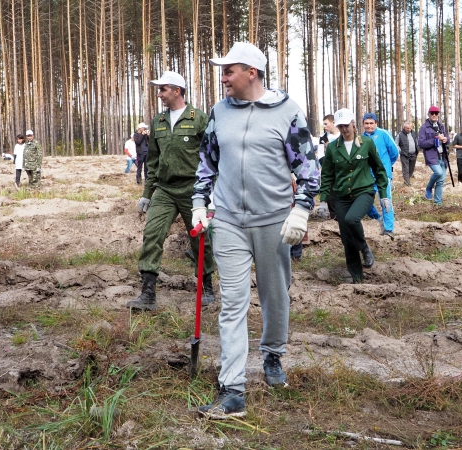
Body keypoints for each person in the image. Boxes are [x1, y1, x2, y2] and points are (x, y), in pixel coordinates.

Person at [192, 42, 319, 419]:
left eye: (229, 70)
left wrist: (301, 211)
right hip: (229, 220)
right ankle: (232, 390)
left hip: (273, 221)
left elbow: (309, 170)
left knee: (274, 294)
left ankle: (273, 355)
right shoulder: (219, 112)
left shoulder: (287, 112)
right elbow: (206, 162)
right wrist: (200, 202)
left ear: (252, 72)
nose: (223, 77)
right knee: (232, 303)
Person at [126, 70, 215, 311]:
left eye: (163, 89)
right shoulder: (158, 122)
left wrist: (212, 193)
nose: (159, 94)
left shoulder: (200, 119)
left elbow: (211, 157)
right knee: (152, 234)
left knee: (201, 240)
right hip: (164, 190)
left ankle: (207, 287)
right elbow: (153, 161)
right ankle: (147, 293)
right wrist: (147, 193)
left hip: (193, 190)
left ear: (177, 90)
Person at [318, 108, 389, 284]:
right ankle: (357, 277)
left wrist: (384, 195)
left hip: (363, 192)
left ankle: (364, 248)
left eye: (346, 125)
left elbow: (379, 169)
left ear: (353, 124)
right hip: (342, 196)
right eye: (340, 126)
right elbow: (327, 175)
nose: (344, 129)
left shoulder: (366, 143)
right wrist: (323, 200)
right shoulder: (333, 148)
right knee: (346, 237)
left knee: (351, 219)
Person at [362, 112, 398, 238]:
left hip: (383, 174)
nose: (369, 126)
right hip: (367, 175)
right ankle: (377, 217)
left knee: (385, 200)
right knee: (363, 200)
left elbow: (394, 152)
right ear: (363, 124)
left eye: (371, 123)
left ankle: (389, 228)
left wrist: (386, 165)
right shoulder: (360, 138)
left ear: (376, 123)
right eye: (366, 123)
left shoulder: (383, 134)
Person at [418, 105, 450, 206]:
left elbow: (447, 138)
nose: (434, 115)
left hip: (443, 156)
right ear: (429, 114)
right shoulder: (424, 128)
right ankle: (429, 187)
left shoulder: (441, 126)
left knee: (441, 181)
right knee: (439, 172)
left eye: (436, 113)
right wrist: (435, 140)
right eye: (432, 113)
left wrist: (446, 139)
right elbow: (421, 143)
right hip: (431, 155)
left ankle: (437, 202)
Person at [395, 121, 419, 187]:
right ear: (404, 128)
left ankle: (407, 180)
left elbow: (416, 141)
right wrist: (401, 151)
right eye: (407, 128)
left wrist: (417, 148)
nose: (409, 129)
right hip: (404, 155)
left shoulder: (413, 133)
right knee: (405, 169)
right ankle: (407, 183)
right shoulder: (400, 135)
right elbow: (396, 144)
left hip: (413, 154)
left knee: (411, 169)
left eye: (410, 128)